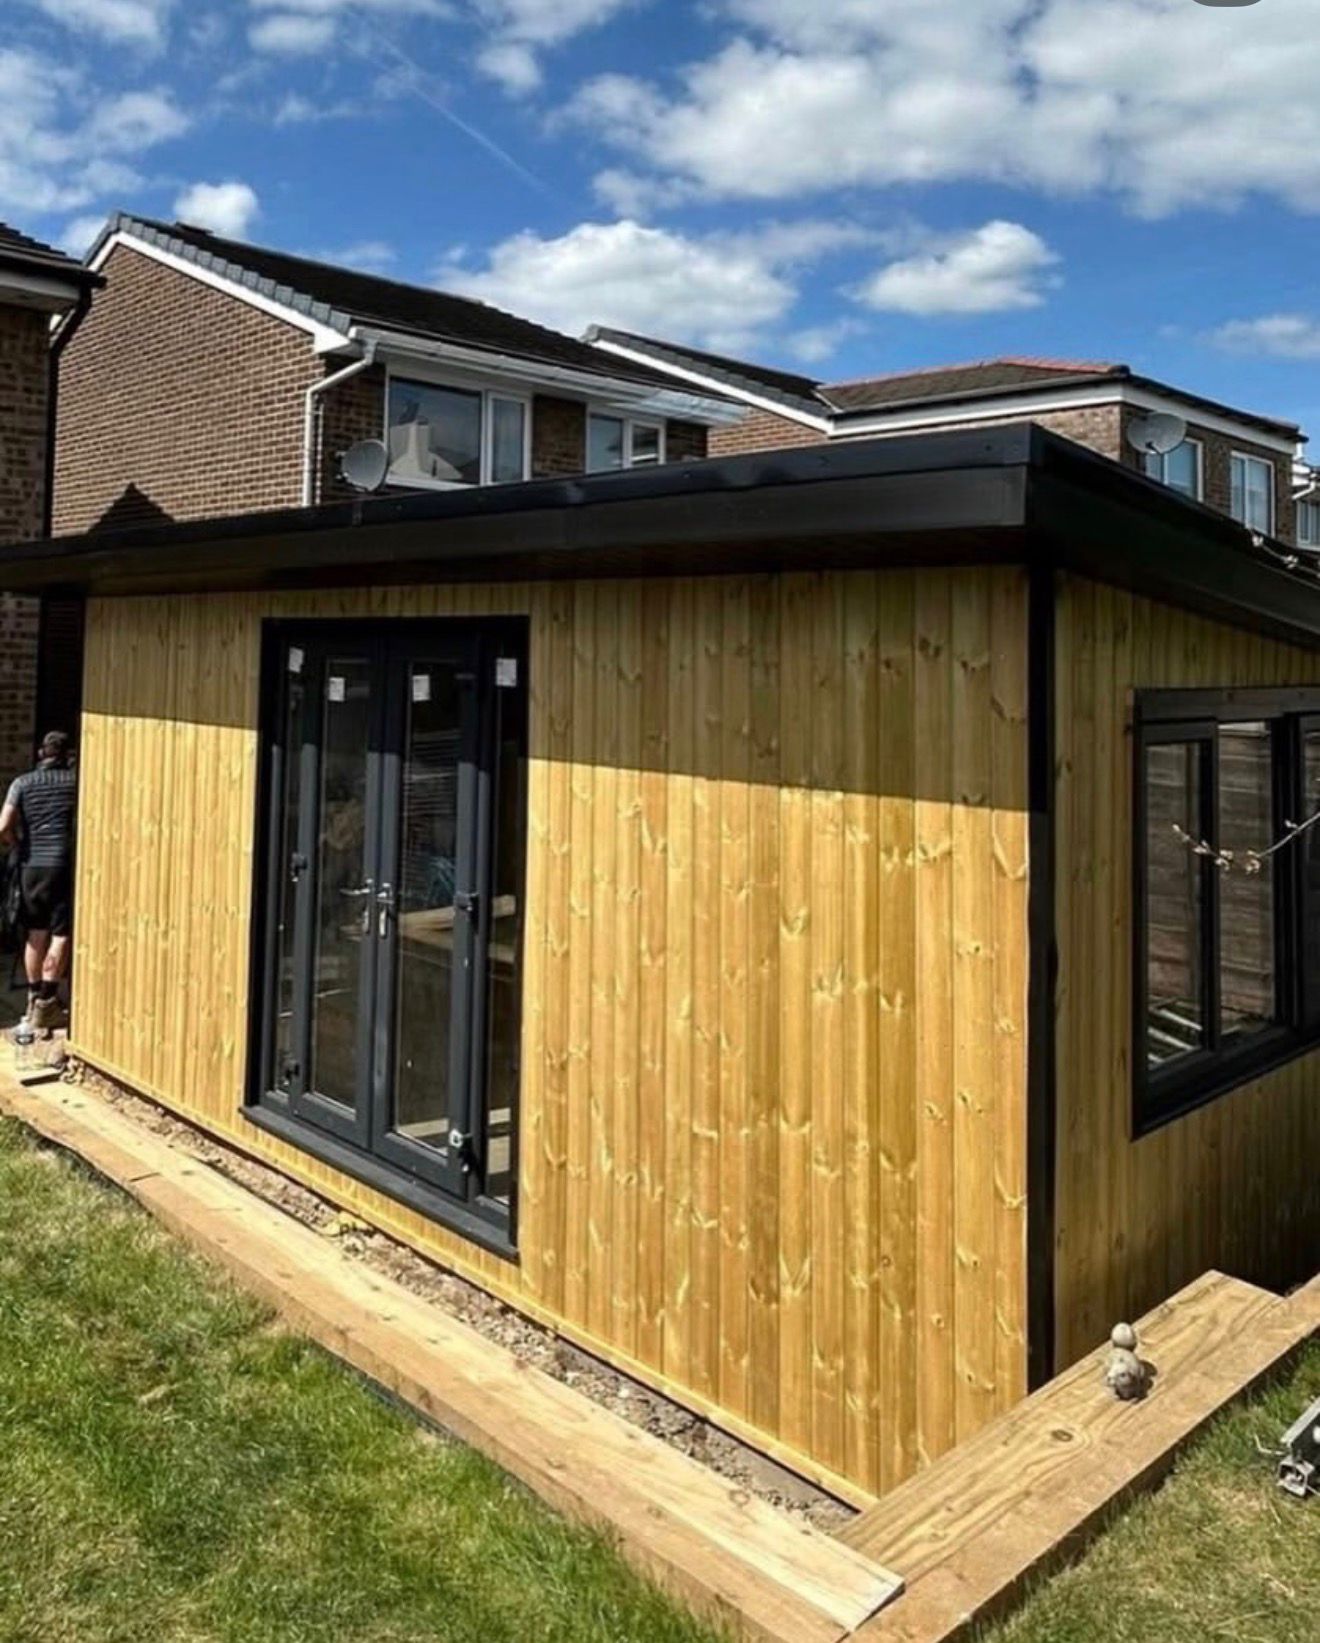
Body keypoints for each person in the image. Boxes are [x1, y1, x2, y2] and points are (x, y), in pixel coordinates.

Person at [0, 731, 77, 1031]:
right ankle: (48, 1002)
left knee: (35, 933)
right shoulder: (73, 782)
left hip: (30, 866)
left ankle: (32, 999)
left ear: (41, 754)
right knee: (60, 935)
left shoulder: (22, 782)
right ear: (65, 755)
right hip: (60, 865)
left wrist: (15, 842)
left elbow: (3, 824)